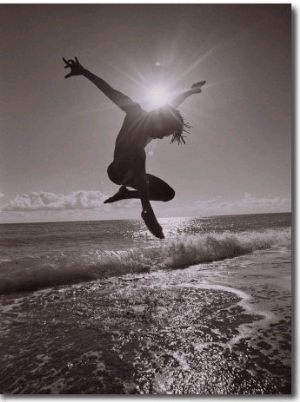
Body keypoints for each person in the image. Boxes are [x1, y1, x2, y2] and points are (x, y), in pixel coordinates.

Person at [63, 57, 205, 239]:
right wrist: (83, 72)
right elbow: (110, 91)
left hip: (134, 174)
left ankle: (127, 194)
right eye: (164, 132)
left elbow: (173, 105)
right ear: (159, 120)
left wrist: (190, 91)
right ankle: (147, 211)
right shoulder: (135, 113)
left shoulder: (159, 120)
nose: (161, 137)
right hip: (117, 170)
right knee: (137, 152)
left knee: (168, 194)